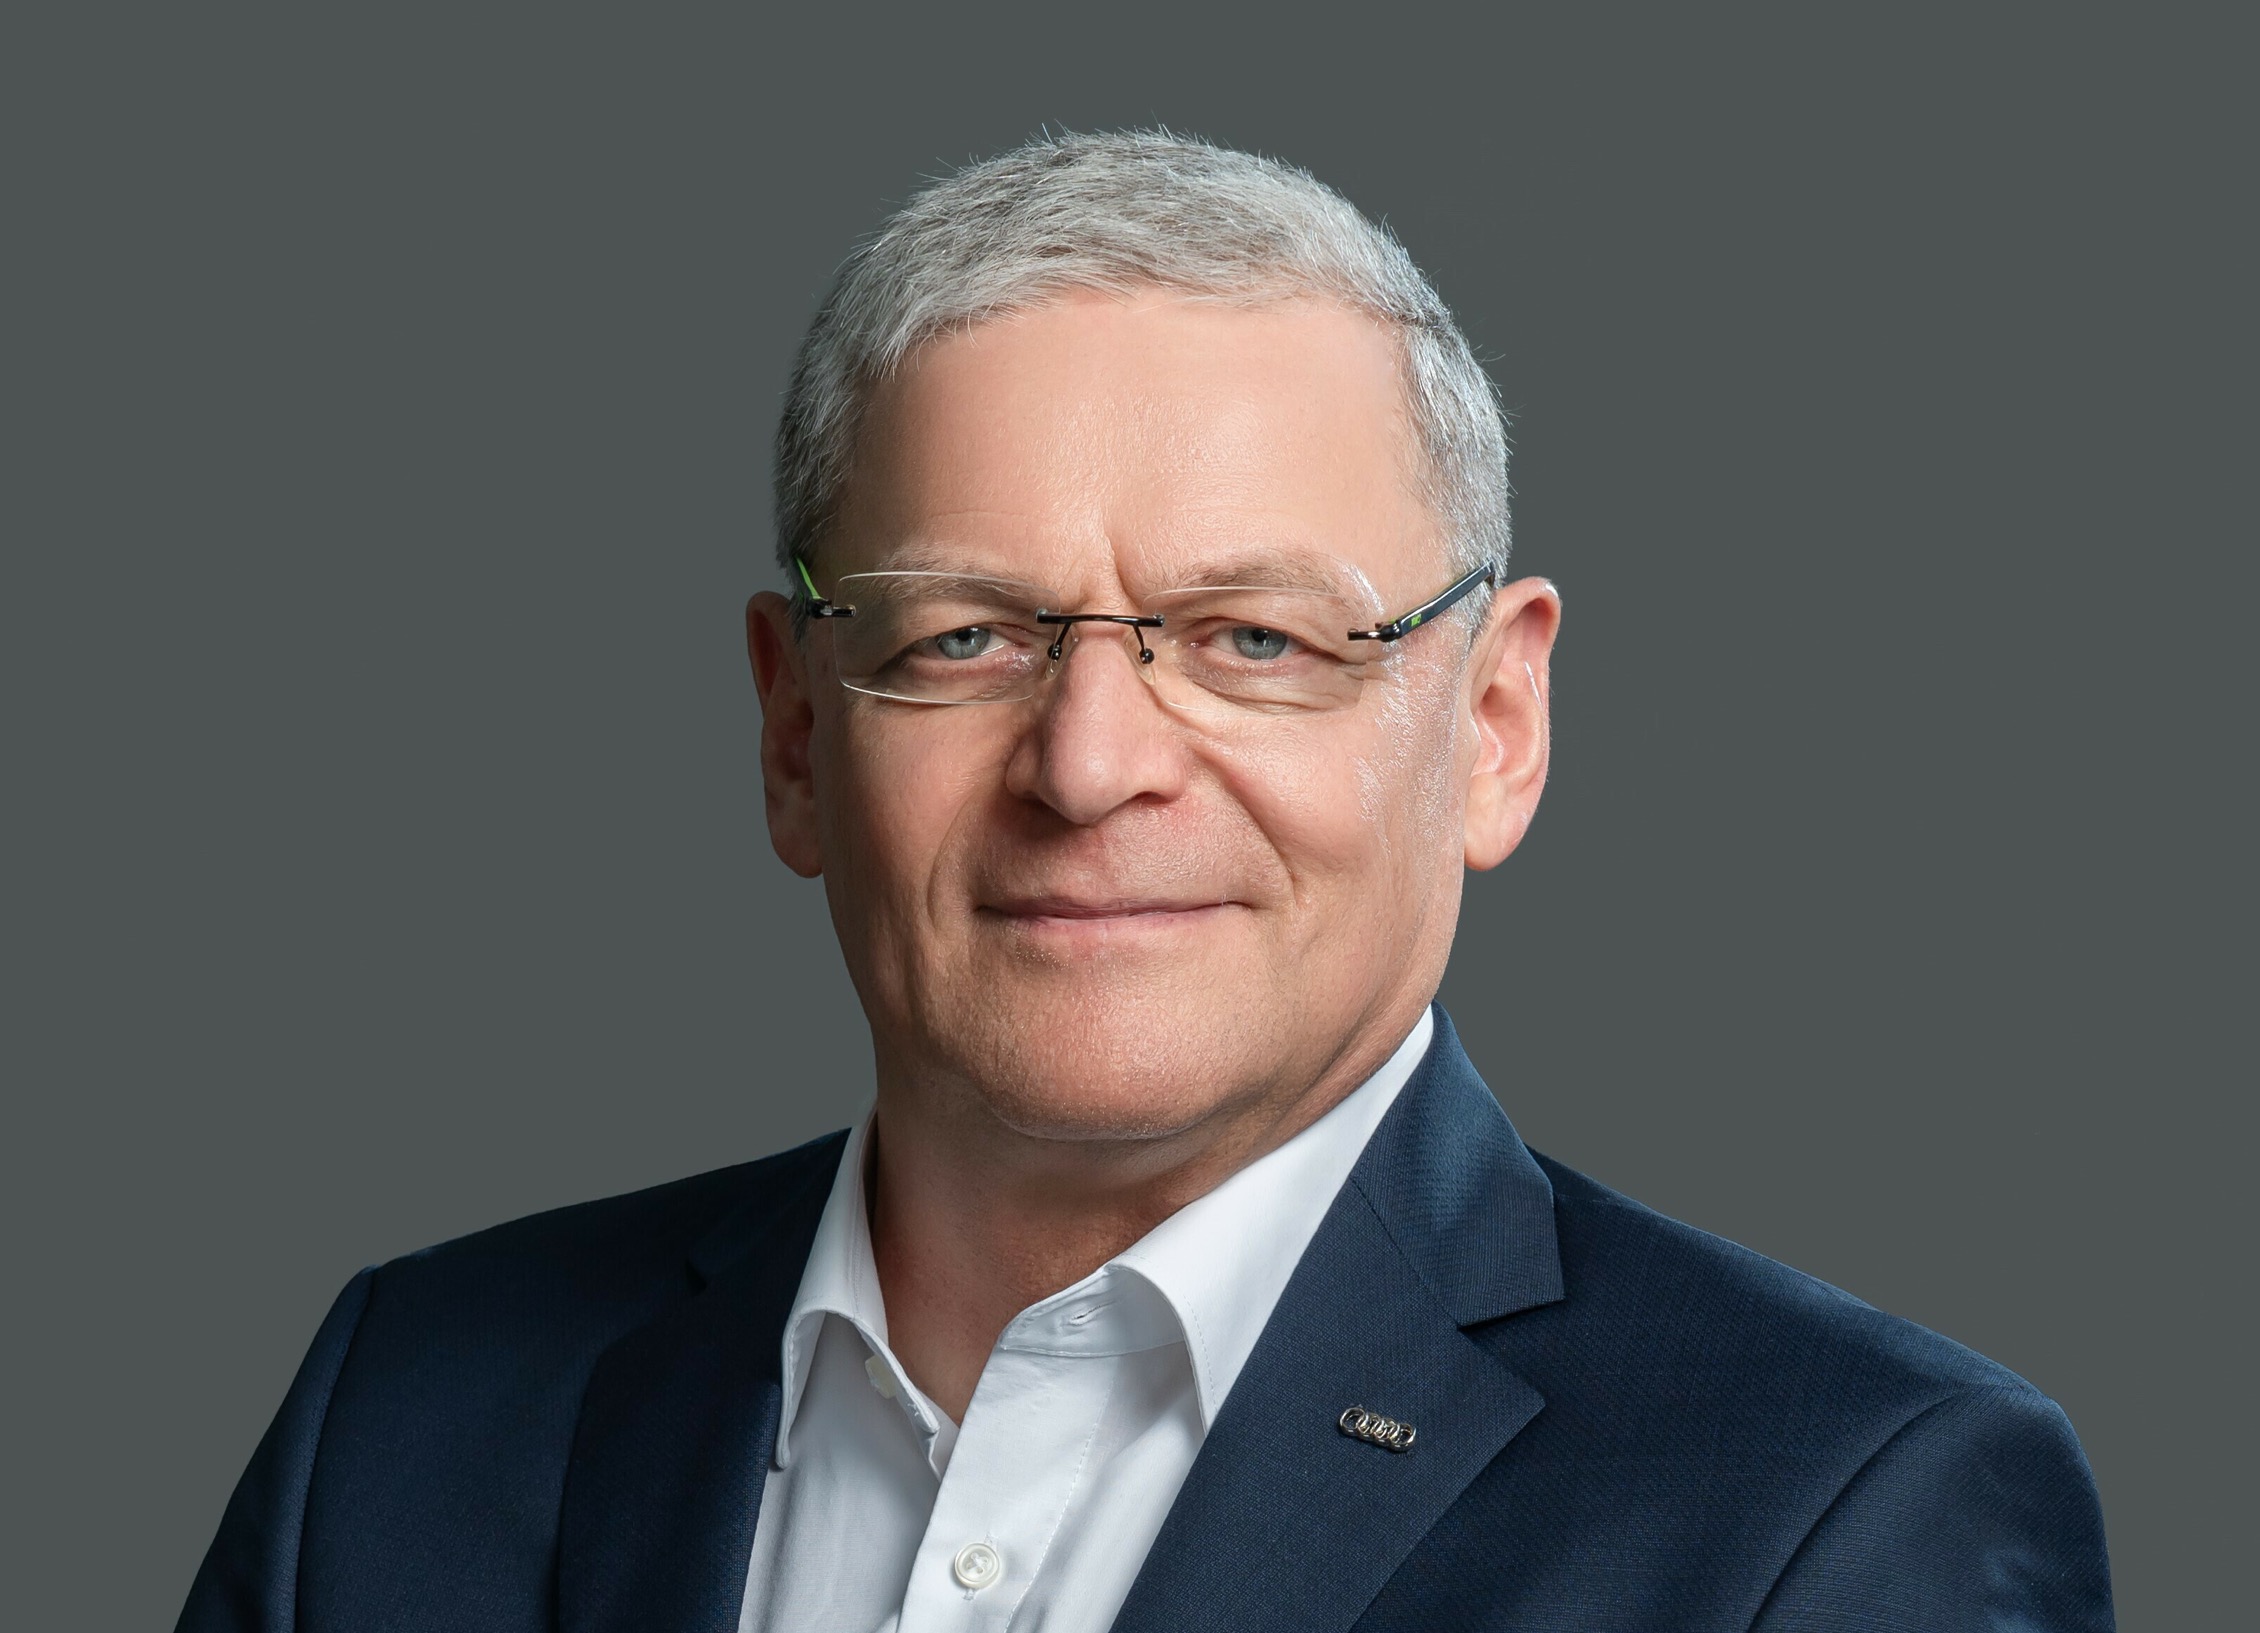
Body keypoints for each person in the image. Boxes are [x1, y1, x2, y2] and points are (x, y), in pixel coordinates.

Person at [178, 130, 2114, 1633]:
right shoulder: (405, 1414)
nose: (1092, 763)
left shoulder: (1843, 1514)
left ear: (1492, 723)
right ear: (793, 730)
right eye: (962, 636)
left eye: (1254, 637)